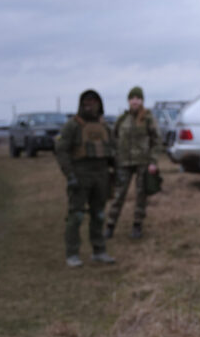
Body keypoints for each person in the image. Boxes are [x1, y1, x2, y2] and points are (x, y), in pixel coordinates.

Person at [54, 89, 117, 267]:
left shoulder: (105, 127)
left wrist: (116, 170)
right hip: (80, 175)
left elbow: (112, 149)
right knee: (77, 215)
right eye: (87, 102)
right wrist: (70, 174)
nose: (90, 106)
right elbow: (61, 150)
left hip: (101, 175)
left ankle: (99, 250)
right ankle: (72, 253)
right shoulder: (73, 125)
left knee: (98, 214)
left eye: (94, 102)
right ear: (81, 104)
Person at [105, 86, 161, 240]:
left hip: (143, 162)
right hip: (123, 162)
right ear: (128, 101)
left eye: (138, 98)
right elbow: (113, 138)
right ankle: (110, 225)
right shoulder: (122, 119)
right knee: (119, 194)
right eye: (132, 98)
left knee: (141, 195)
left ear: (142, 100)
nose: (135, 101)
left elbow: (157, 141)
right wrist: (113, 157)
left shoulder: (147, 118)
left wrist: (153, 161)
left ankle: (137, 225)